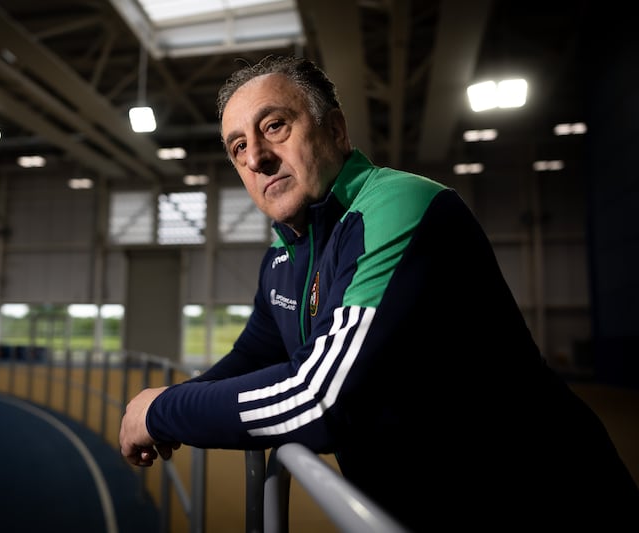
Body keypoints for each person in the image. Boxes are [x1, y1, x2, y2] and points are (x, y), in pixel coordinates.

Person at [119, 55, 638, 531]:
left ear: (337, 130)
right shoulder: (286, 253)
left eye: (274, 126)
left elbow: (320, 399)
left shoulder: (396, 206)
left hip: (546, 505)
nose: (255, 156)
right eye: (237, 146)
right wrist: (163, 406)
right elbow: (257, 352)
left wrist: (163, 410)